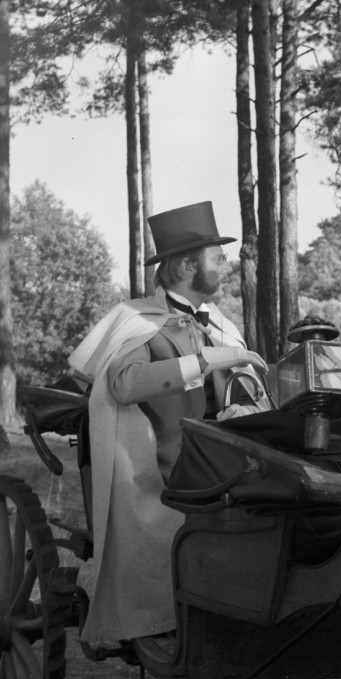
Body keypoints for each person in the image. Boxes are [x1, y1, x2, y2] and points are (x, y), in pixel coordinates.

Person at [69, 200, 268, 643]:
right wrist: (205, 361)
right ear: (185, 266)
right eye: (218, 258)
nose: (226, 266)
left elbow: (244, 390)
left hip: (229, 463)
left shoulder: (222, 325)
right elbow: (123, 384)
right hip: (165, 472)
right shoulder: (136, 320)